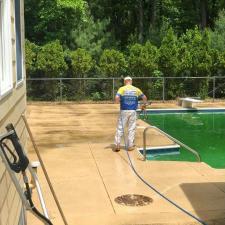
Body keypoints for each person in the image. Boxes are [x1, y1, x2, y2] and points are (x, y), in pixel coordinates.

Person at [114, 76, 147, 152]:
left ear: (125, 82)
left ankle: (117, 145)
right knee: (131, 128)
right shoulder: (136, 89)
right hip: (133, 111)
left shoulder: (122, 89)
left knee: (120, 128)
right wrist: (144, 105)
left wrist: (119, 101)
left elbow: (116, 98)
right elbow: (144, 97)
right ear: (131, 81)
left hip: (124, 111)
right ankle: (130, 146)